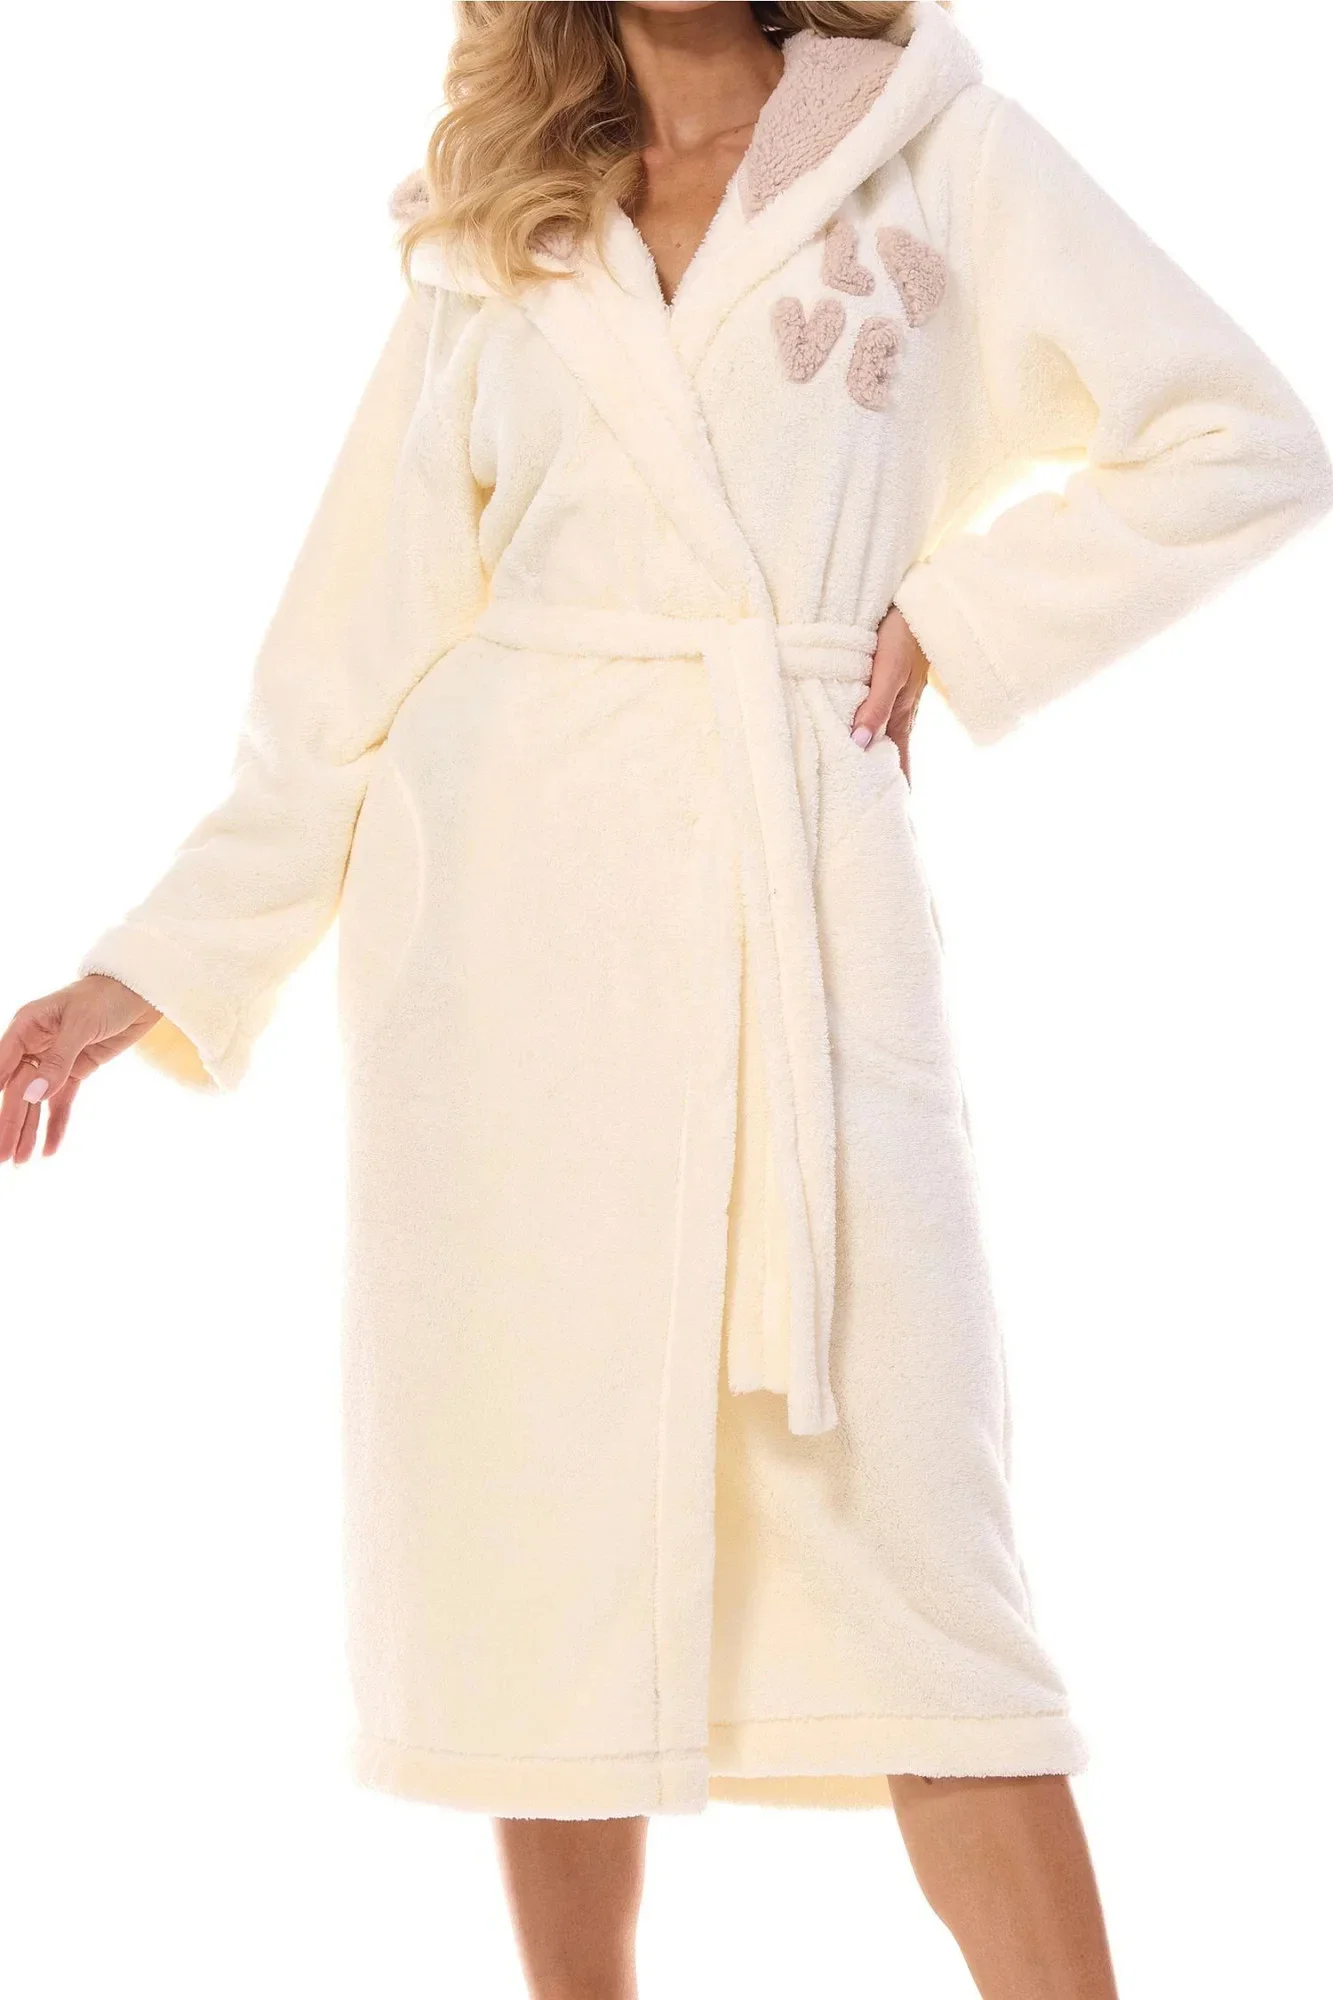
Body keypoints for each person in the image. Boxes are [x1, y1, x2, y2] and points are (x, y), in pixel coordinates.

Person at [2, 3, 1328, 1994]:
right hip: (506, 962)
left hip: (800, 925)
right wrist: (151, 963)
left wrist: (957, 614)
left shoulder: (937, 153)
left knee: (931, 1589)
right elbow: (344, 665)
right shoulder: (501, 229)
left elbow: (1242, 437)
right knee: (552, 1559)